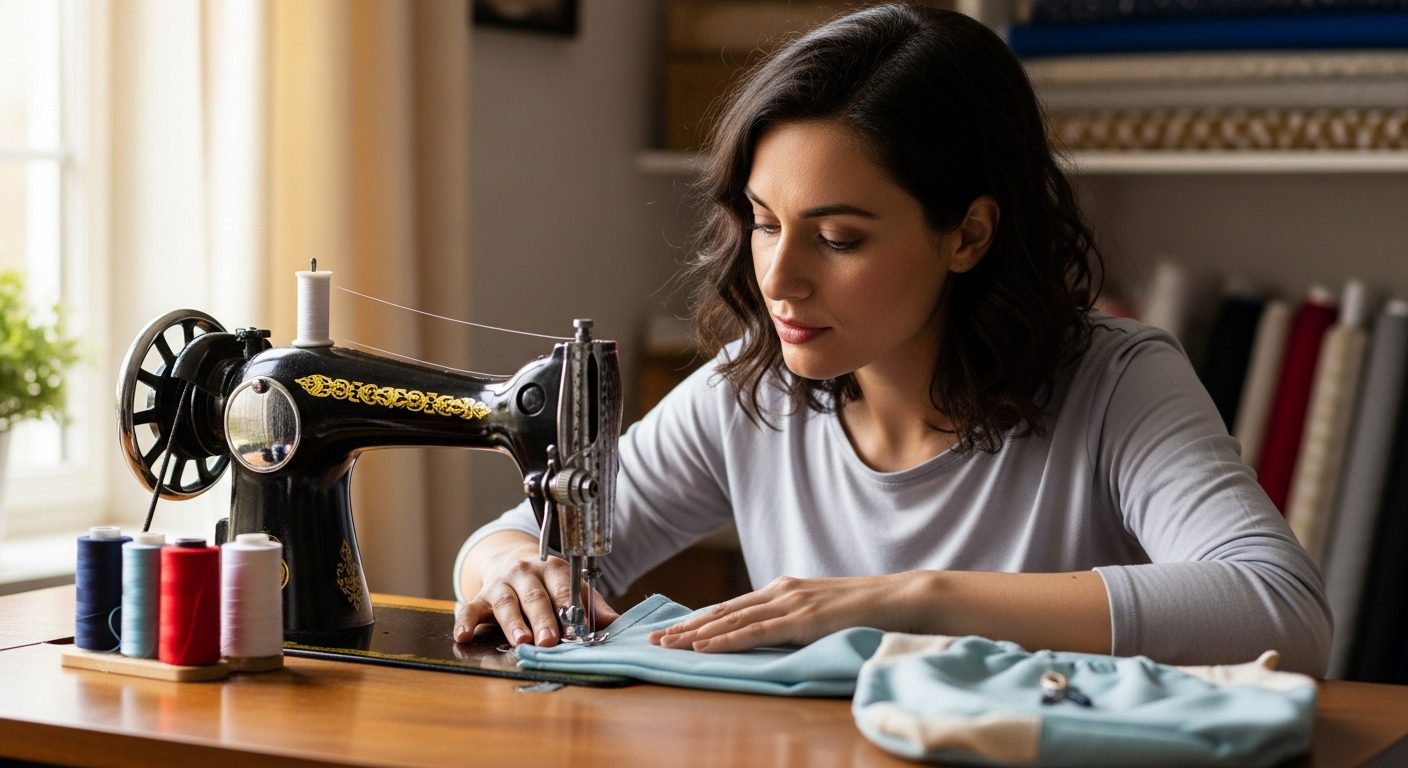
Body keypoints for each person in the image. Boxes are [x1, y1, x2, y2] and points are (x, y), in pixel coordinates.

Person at [453, 3, 1332, 676]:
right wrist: (514, 569)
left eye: (839, 239)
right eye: (765, 223)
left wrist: (902, 601)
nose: (780, 278)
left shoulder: (1115, 383)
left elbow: (1281, 610)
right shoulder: (749, 395)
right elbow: (506, 539)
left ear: (970, 235)